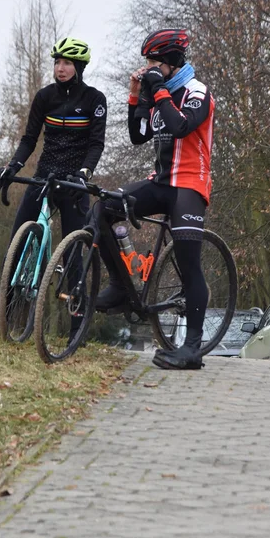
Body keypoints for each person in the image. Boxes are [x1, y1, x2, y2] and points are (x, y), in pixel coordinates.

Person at [95, 28, 215, 370]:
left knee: (189, 260)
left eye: (154, 62)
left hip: (190, 185)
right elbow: (138, 135)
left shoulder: (197, 92)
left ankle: (192, 348)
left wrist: (159, 90)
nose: (149, 67)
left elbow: (180, 126)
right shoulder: (156, 90)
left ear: (172, 62)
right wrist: (137, 95)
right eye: (147, 62)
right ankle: (120, 284)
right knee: (103, 207)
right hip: (160, 182)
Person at [0, 36, 107, 321]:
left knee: (72, 253)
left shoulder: (94, 99)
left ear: (78, 67)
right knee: (17, 239)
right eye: (57, 62)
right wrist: (13, 166)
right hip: (45, 175)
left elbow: (96, 144)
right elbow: (29, 138)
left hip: (73, 180)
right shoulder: (45, 97)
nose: (61, 68)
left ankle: (76, 317)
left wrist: (84, 173)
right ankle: (3, 302)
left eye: (67, 63)